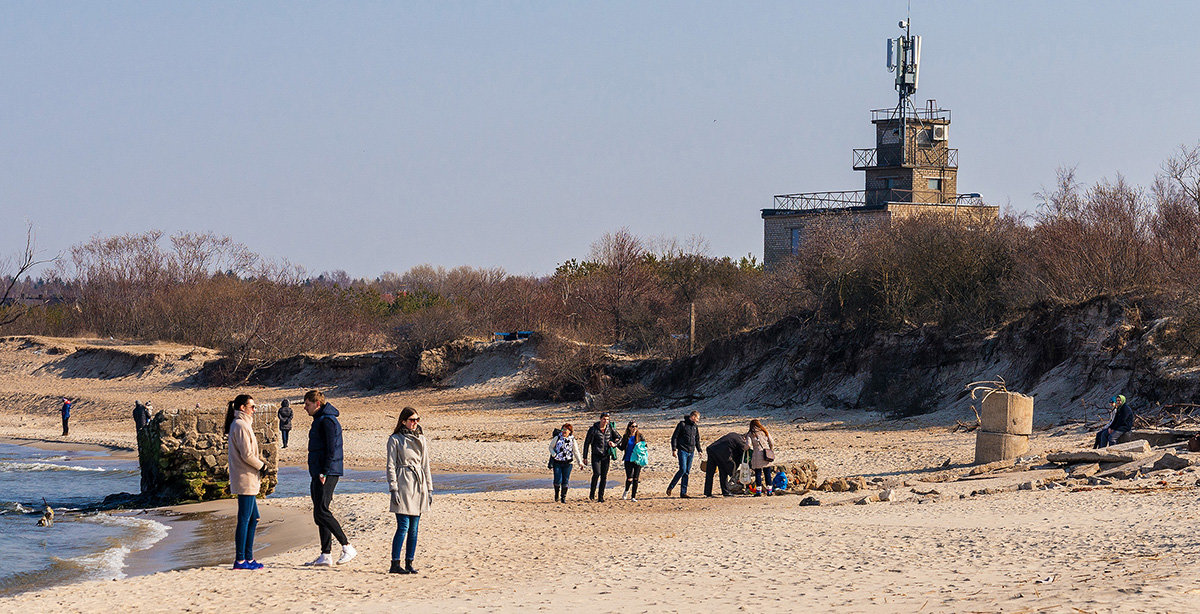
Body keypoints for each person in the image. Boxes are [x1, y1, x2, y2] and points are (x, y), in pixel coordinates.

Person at [303, 390, 356, 566]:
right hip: (318, 471)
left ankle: (347, 546)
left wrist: (324, 472)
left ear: (317, 404)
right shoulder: (320, 419)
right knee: (319, 512)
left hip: (328, 472)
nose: (305, 408)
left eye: (307, 404)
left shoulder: (328, 420)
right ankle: (325, 555)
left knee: (322, 511)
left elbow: (331, 449)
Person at [386, 407, 433, 575]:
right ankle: (395, 563)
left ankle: (409, 562)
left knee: (414, 528)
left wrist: (429, 487)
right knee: (403, 526)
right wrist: (393, 488)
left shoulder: (422, 439)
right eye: (412, 420)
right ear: (403, 421)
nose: (415, 423)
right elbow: (390, 465)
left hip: (419, 484)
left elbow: (425, 464)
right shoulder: (395, 439)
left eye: (417, 420)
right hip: (403, 482)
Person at [225, 394, 267, 570]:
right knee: (244, 518)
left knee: (254, 518)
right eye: (252, 407)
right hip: (245, 477)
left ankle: (249, 558)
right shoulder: (240, 425)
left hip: (249, 477)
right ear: (242, 407)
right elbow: (247, 455)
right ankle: (240, 559)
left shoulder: (243, 424)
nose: (254, 410)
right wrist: (262, 466)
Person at [582, 411, 620, 502]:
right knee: (596, 474)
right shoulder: (593, 429)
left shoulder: (610, 428)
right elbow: (587, 443)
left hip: (606, 455)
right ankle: (592, 493)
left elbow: (620, 438)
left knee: (604, 476)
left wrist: (614, 444)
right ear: (600, 419)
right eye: (604, 419)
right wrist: (585, 457)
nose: (605, 421)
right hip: (596, 455)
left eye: (607, 419)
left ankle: (600, 497)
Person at [667, 411, 702, 498]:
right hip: (682, 450)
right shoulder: (682, 424)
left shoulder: (695, 427)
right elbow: (674, 437)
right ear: (693, 417)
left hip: (691, 451)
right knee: (682, 469)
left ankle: (683, 493)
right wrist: (674, 449)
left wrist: (699, 450)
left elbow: (697, 439)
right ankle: (671, 487)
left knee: (687, 472)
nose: (698, 420)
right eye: (697, 418)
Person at [704, 431, 749, 497]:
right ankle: (725, 492)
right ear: (745, 438)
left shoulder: (734, 434)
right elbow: (744, 450)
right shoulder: (740, 440)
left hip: (711, 449)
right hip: (720, 454)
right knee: (723, 472)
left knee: (710, 473)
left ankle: (707, 492)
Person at [548, 423, 584, 503]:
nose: (564, 431)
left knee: (565, 480)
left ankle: (563, 497)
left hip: (568, 463)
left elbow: (576, 451)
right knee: (557, 480)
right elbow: (551, 447)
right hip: (557, 462)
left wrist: (580, 462)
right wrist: (554, 454)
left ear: (570, 431)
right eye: (563, 429)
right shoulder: (557, 438)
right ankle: (556, 494)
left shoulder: (572, 439)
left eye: (566, 430)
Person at [747, 419, 777, 496]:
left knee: (758, 474)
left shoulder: (750, 434)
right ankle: (769, 491)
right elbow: (772, 442)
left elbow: (748, 445)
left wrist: (745, 449)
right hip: (766, 454)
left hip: (757, 455)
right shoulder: (764, 431)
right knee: (767, 473)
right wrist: (770, 449)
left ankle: (758, 491)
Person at [618, 421, 646, 501]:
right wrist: (615, 445)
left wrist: (641, 447)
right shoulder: (626, 436)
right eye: (633, 426)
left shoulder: (640, 436)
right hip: (628, 459)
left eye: (636, 426)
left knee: (636, 479)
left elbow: (645, 446)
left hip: (637, 459)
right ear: (629, 427)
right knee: (629, 478)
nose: (634, 428)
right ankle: (626, 491)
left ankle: (633, 497)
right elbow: (622, 448)